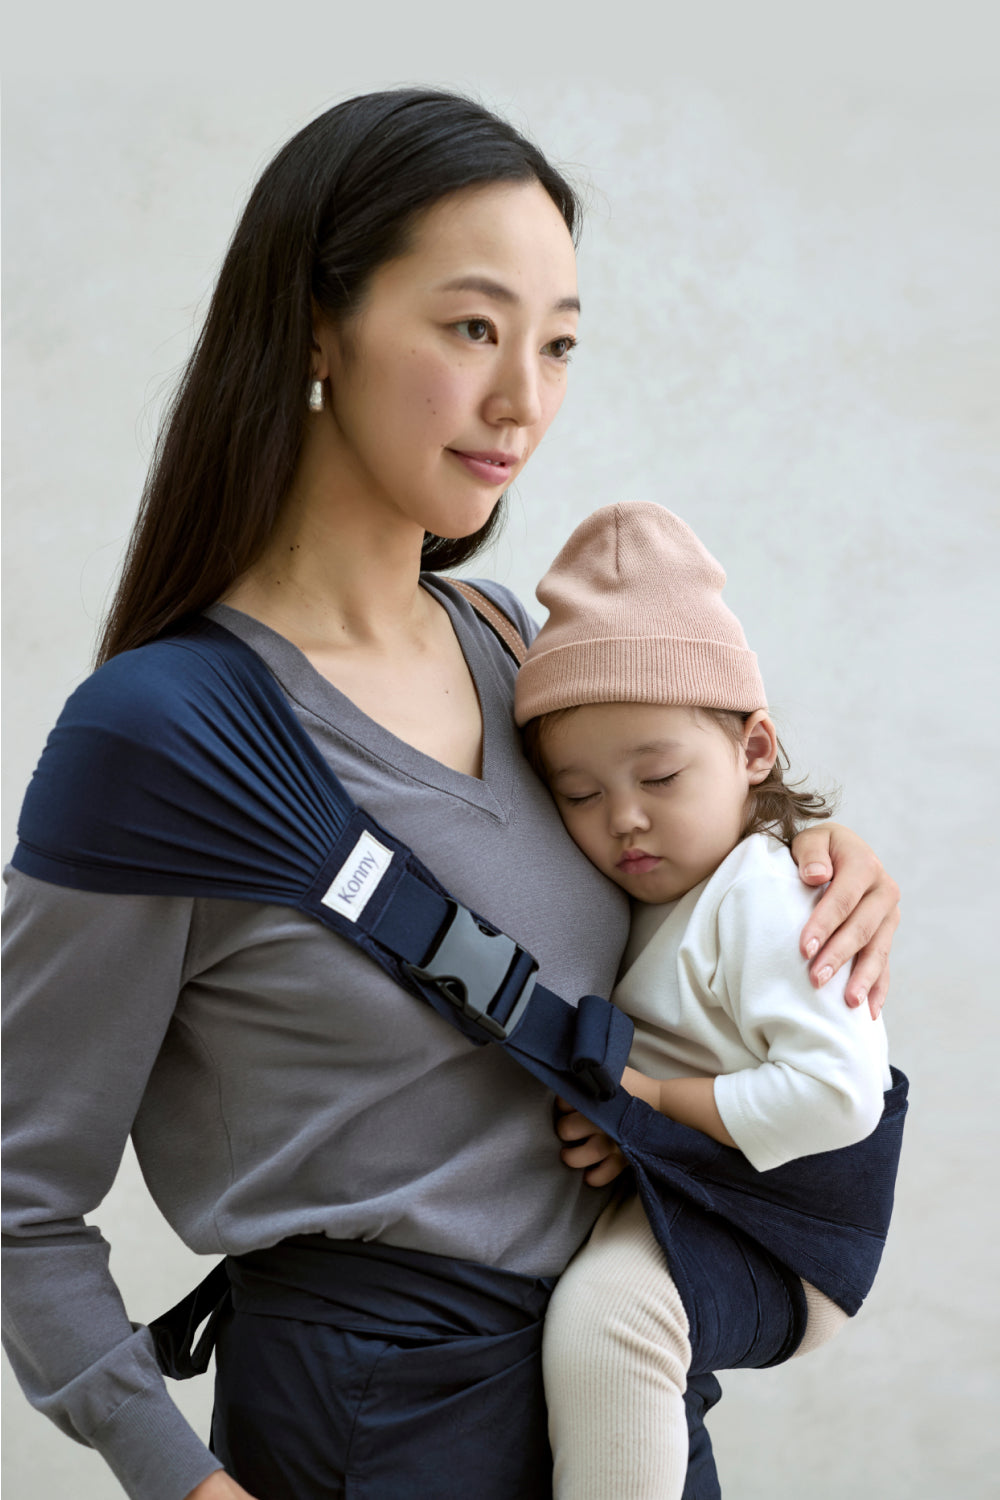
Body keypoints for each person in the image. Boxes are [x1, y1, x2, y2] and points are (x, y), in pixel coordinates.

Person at [2, 90, 901, 1500]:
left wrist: (810, 856)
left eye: (558, 344)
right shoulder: (162, 736)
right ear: (316, 326)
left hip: (620, 1398)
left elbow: (680, 878)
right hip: (370, 1429)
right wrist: (178, 1479)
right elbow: (20, 1200)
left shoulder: (521, 656)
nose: (523, 402)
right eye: (474, 328)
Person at [513, 501, 899, 1499]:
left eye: (659, 776)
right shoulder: (647, 897)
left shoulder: (765, 895)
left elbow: (838, 1094)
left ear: (754, 750)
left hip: (787, 1227)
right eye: (579, 794)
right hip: (699, 1192)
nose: (624, 820)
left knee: (613, 1322)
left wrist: (652, 1107)